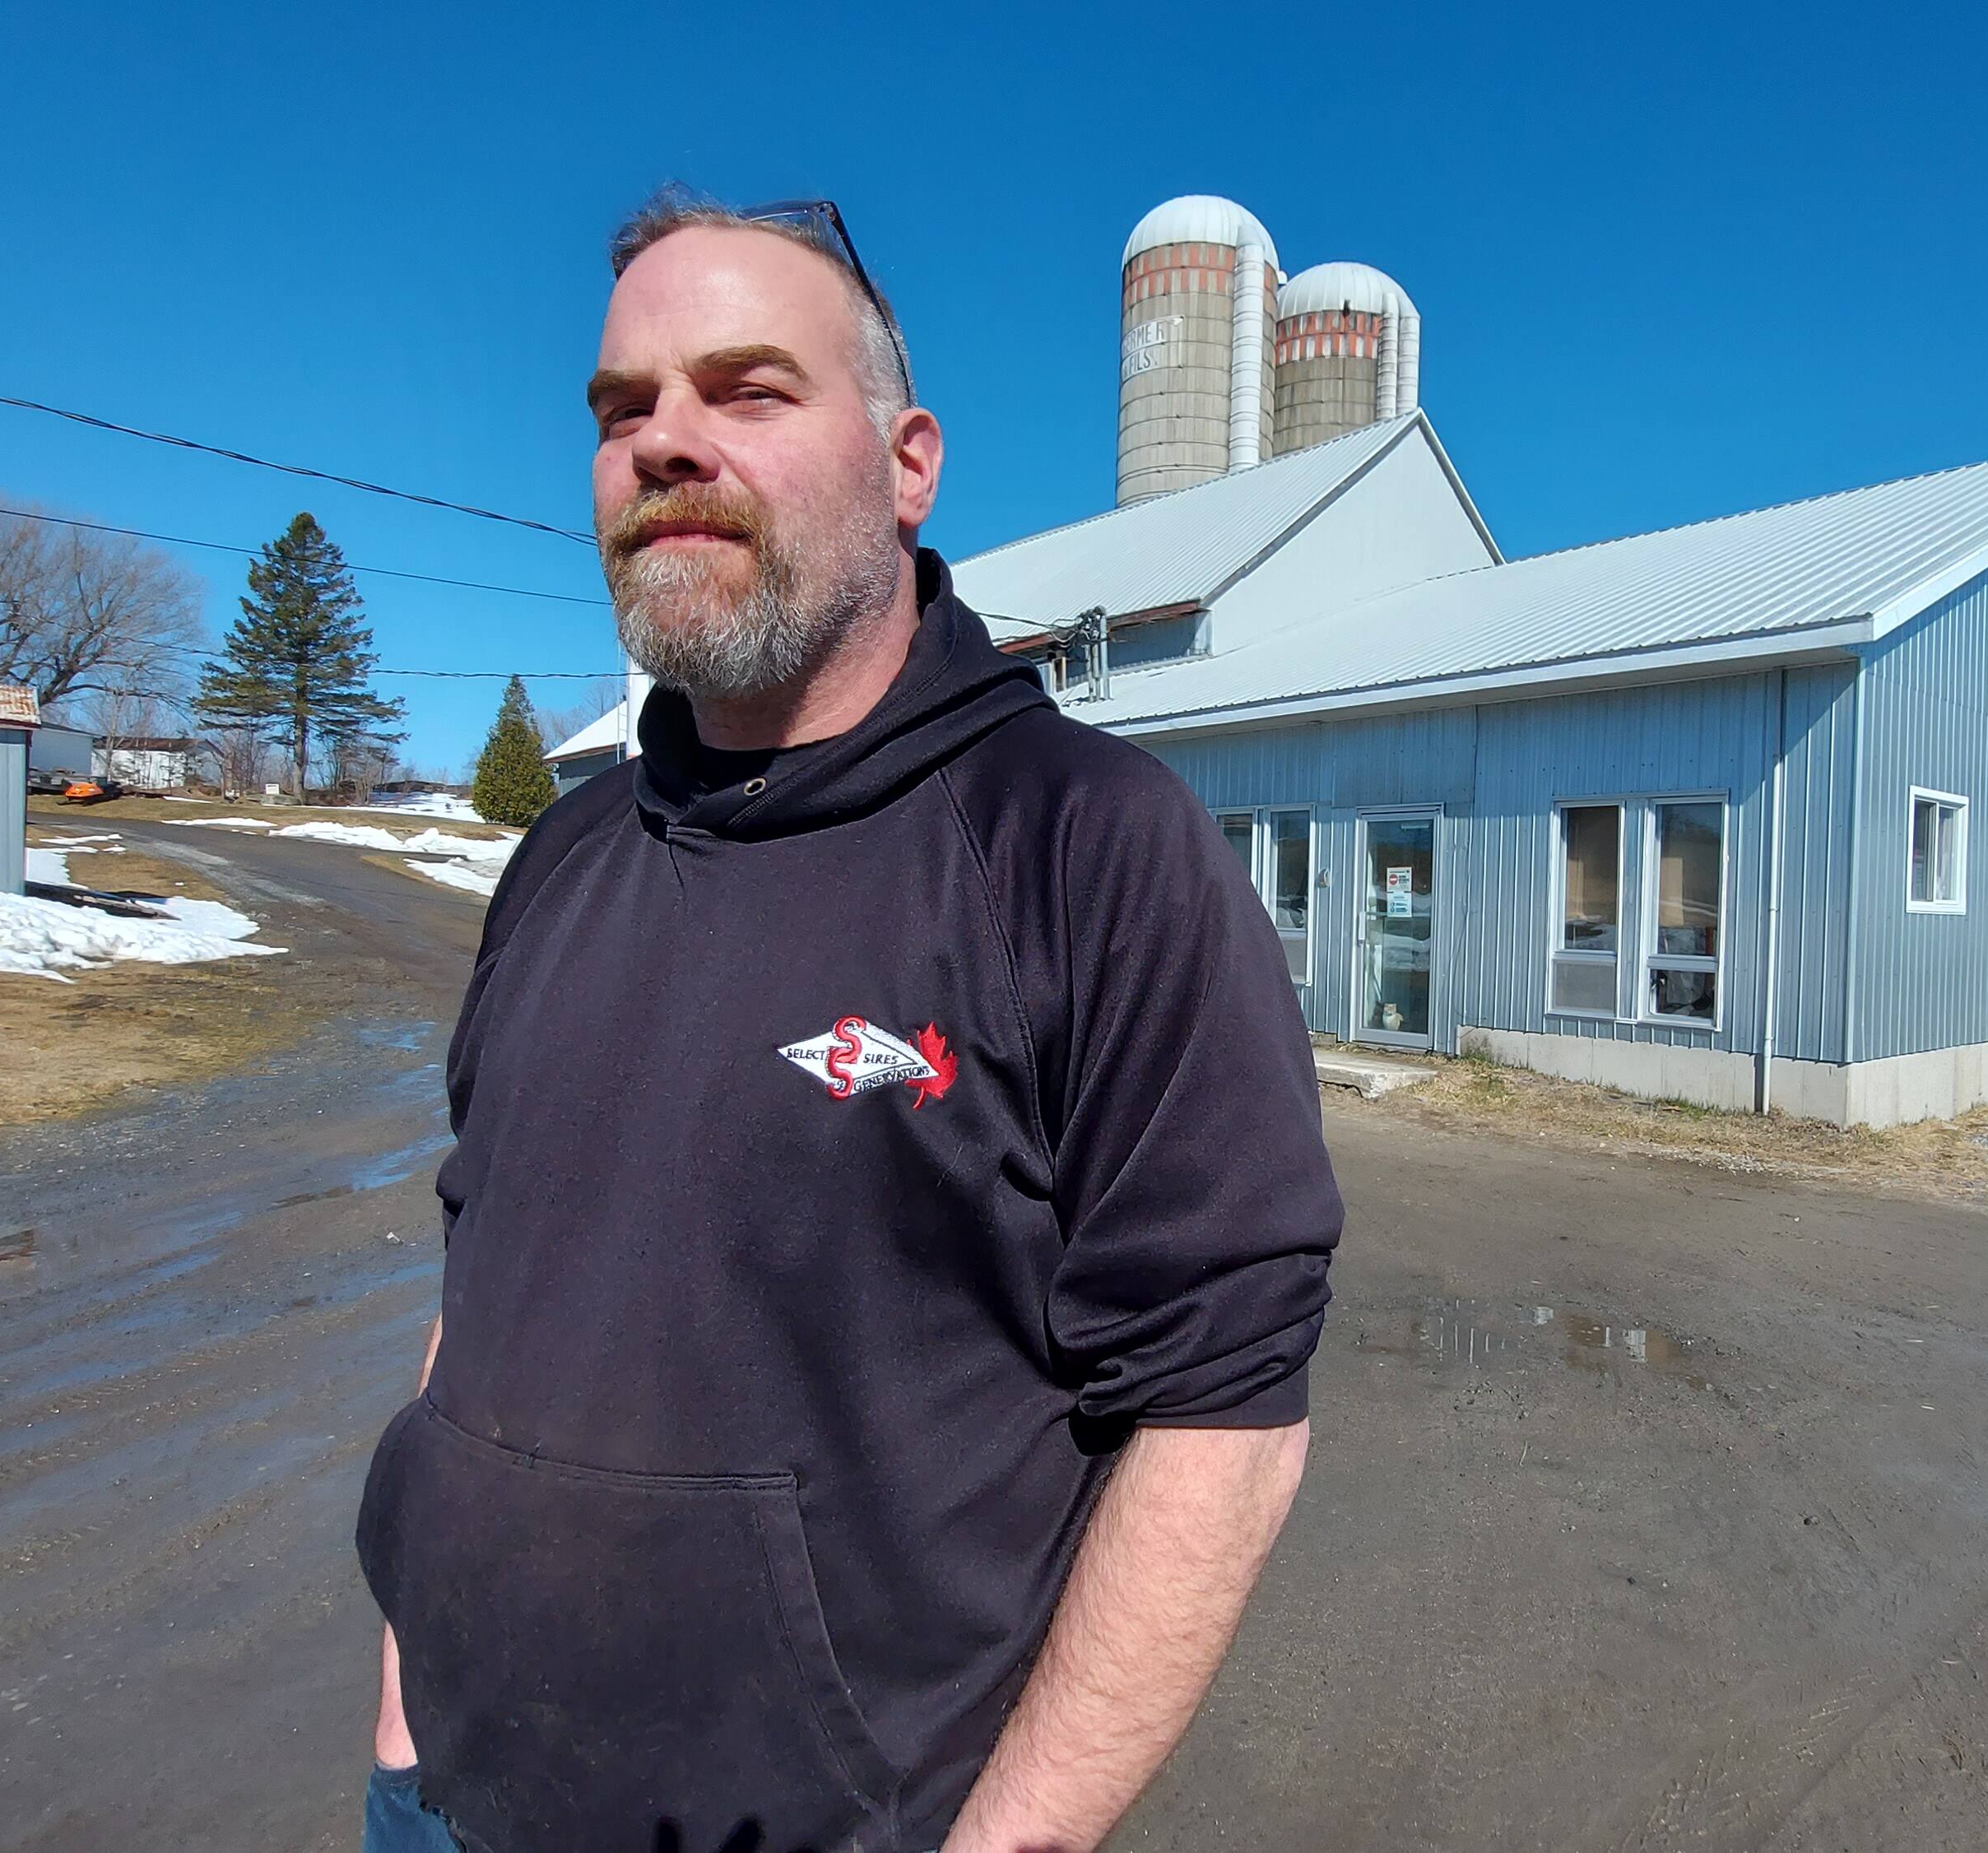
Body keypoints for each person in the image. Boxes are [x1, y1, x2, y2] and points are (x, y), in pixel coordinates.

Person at [353, 188, 1343, 1853]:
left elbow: (1218, 1426)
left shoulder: (1079, 845)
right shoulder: (562, 857)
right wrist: (400, 1708)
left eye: (746, 390)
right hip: (445, 1801)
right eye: (621, 407)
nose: (662, 441)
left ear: (908, 464)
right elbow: (485, 1277)